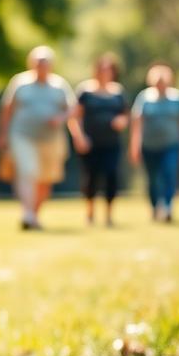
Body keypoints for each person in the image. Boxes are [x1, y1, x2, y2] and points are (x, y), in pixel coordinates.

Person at [0, 45, 77, 230]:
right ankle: (28, 213)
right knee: (28, 171)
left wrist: (61, 119)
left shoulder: (60, 85)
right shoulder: (20, 83)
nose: (42, 66)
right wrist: (2, 134)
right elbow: (7, 109)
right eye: (39, 63)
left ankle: (33, 215)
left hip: (51, 139)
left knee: (46, 179)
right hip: (22, 135)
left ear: (51, 65)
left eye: (45, 63)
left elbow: (73, 109)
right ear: (32, 64)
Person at [69, 53, 129, 226]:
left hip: (111, 144)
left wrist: (122, 122)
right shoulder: (85, 91)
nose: (104, 73)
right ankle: (90, 214)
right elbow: (74, 117)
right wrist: (79, 137)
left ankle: (109, 216)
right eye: (101, 69)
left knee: (112, 177)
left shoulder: (118, 92)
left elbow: (126, 115)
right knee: (91, 179)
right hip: (90, 144)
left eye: (108, 70)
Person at [129, 62, 179, 222]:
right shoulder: (144, 98)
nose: (160, 86)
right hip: (149, 146)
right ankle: (155, 206)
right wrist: (134, 146)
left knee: (169, 174)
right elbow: (137, 124)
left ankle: (168, 206)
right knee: (153, 178)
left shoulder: (178, 98)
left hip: (171, 145)